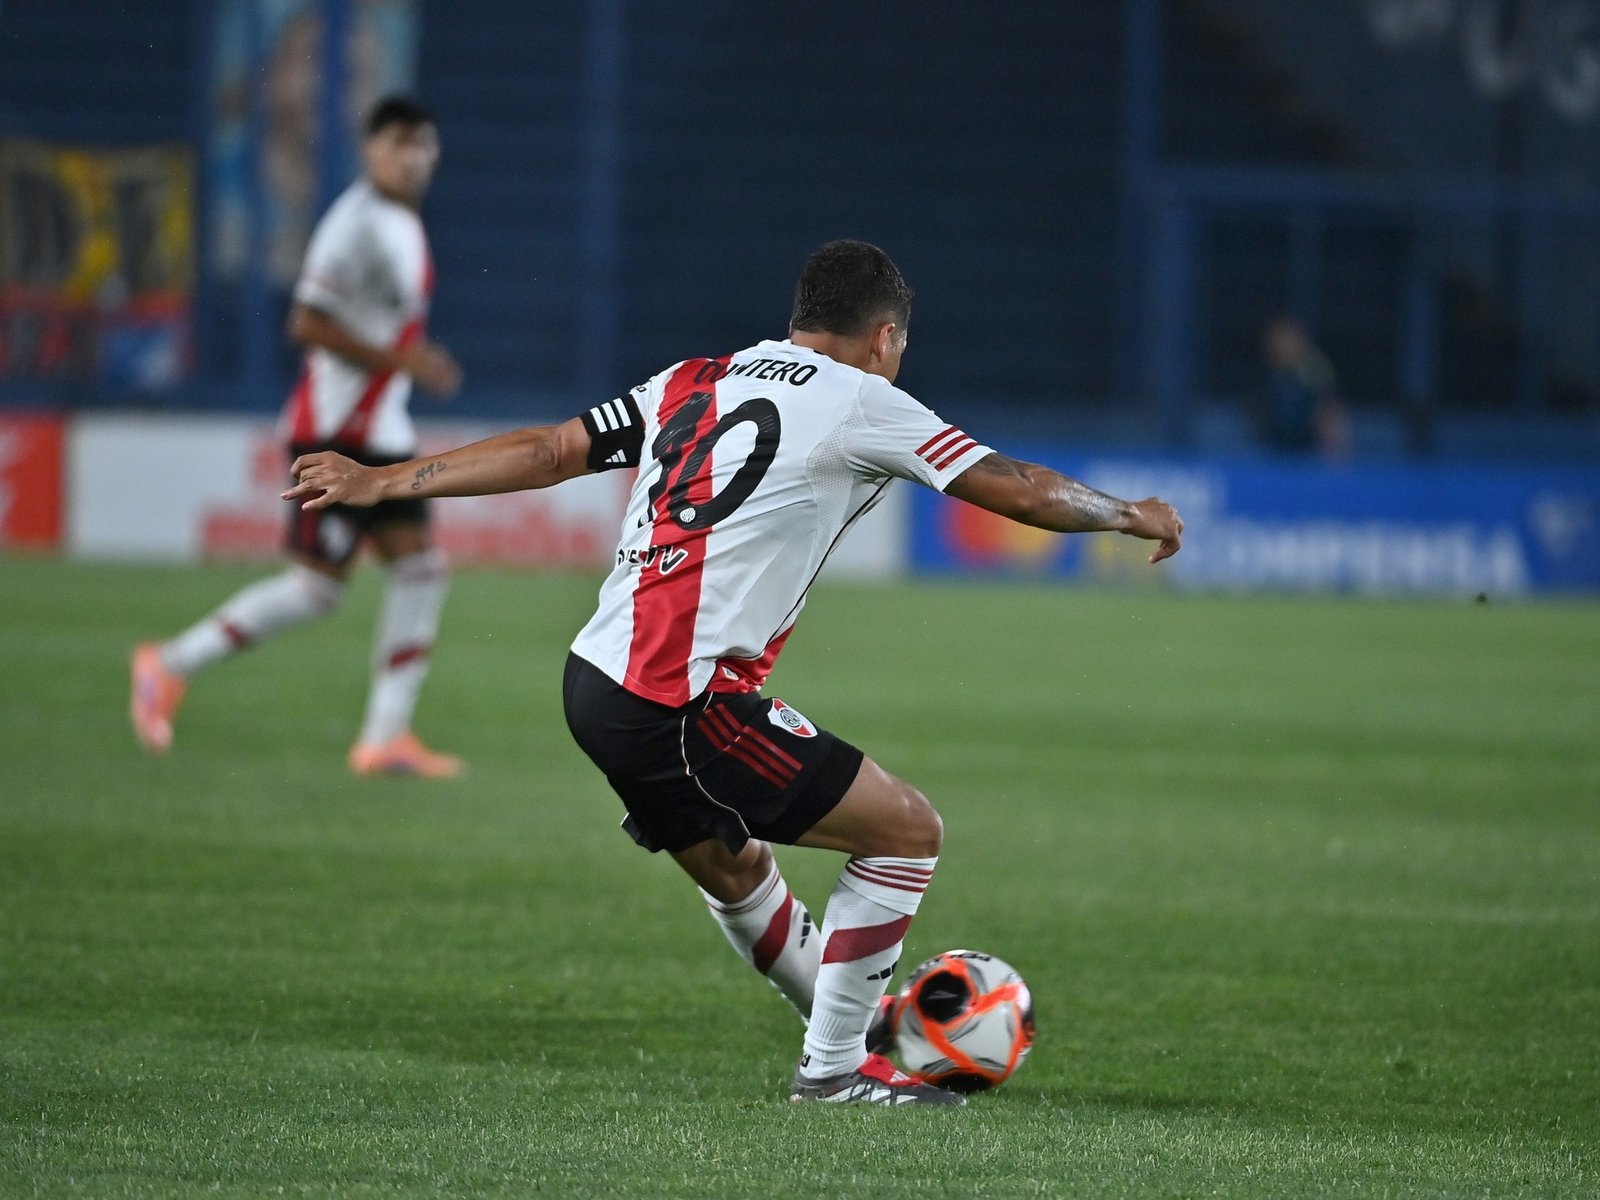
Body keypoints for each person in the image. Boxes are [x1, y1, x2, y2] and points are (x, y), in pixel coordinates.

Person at [283, 240, 1184, 1104]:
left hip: (595, 680)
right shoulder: (864, 401)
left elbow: (553, 451)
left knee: (736, 869)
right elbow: (1021, 487)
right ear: (884, 339)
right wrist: (1125, 512)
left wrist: (383, 479)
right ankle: (835, 1074)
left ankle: (855, 1039)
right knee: (907, 832)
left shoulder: (694, 377)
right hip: (681, 698)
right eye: (901, 346)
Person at [131, 96, 465, 778]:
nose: (413, 156)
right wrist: (404, 361)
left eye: (424, 144)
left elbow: (376, 321)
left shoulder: (401, 223)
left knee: (420, 569)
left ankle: (384, 738)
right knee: (321, 589)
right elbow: (306, 324)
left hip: (380, 431)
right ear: (371, 149)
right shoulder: (354, 223)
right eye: (400, 142)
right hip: (336, 432)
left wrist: (405, 359)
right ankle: (166, 664)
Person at [1257, 315, 1350, 458]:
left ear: (1301, 342)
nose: (1282, 347)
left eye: (1288, 341)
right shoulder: (1268, 374)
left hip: (1309, 453)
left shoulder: (1315, 370)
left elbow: (1330, 415)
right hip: (1273, 449)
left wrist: (1335, 457)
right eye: (1277, 342)